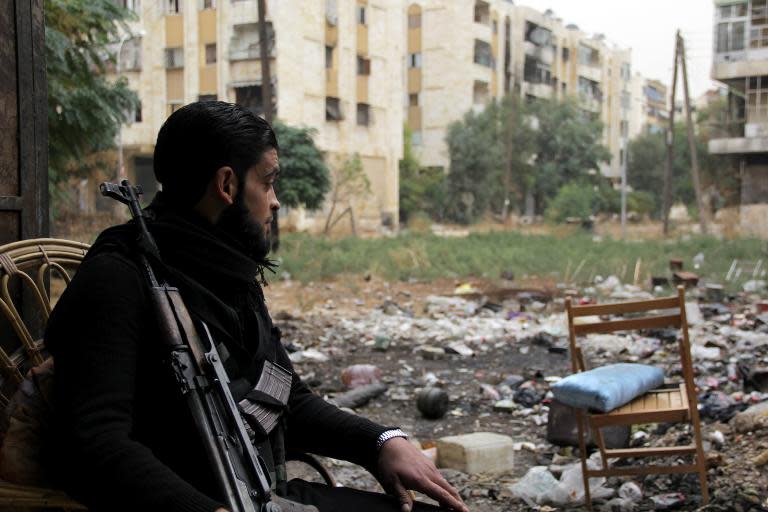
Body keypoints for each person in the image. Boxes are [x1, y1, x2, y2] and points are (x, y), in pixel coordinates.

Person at [44, 101, 469, 512]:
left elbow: (285, 400)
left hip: (265, 496)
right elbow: (95, 442)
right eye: (266, 183)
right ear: (226, 184)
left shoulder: (229, 276)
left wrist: (381, 442)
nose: (276, 200)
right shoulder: (120, 278)